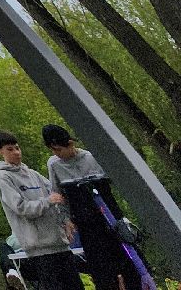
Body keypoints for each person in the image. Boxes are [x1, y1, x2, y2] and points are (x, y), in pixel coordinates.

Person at [42, 123, 147, 290]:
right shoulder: (54, 164)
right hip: (86, 225)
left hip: (109, 220)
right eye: (53, 150)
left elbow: (112, 187)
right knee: (101, 271)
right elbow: (59, 196)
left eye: (59, 149)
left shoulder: (92, 158)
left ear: (70, 144)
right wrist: (66, 219)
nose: (57, 154)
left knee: (128, 262)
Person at [0, 130, 82, 290]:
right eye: (10, 149)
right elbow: (22, 208)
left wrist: (66, 220)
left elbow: (57, 195)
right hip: (40, 250)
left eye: (17, 148)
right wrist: (47, 201)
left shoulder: (33, 174)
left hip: (60, 244)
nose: (16, 153)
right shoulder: (4, 178)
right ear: (0, 152)